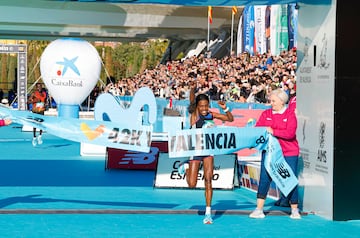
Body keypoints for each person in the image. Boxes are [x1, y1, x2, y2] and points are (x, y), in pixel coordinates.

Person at [178, 83, 234, 224]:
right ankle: (186, 167)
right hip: (195, 151)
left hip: (208, 151)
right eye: (201, 106)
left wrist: (225, 108)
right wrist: (192, 89)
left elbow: (230, 119)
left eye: (206, 106)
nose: (204, 109)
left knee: (208, 180)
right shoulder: (194, 115)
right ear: (197, 106)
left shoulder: (211, 114)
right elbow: (192, 100)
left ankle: (208, 213)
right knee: (192, 184)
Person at [249, 89, 301, 219]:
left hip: (288, 152)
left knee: (290, 178)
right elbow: (258, 129)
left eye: (273, 101)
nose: (271, 103)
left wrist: (273, 131)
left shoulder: (290, 114)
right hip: (270, 152)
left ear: (282, 101)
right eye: (270, 100)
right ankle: (259, 209)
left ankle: (294, 209)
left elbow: (290, 134)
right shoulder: (266, 113)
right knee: (265, 178)